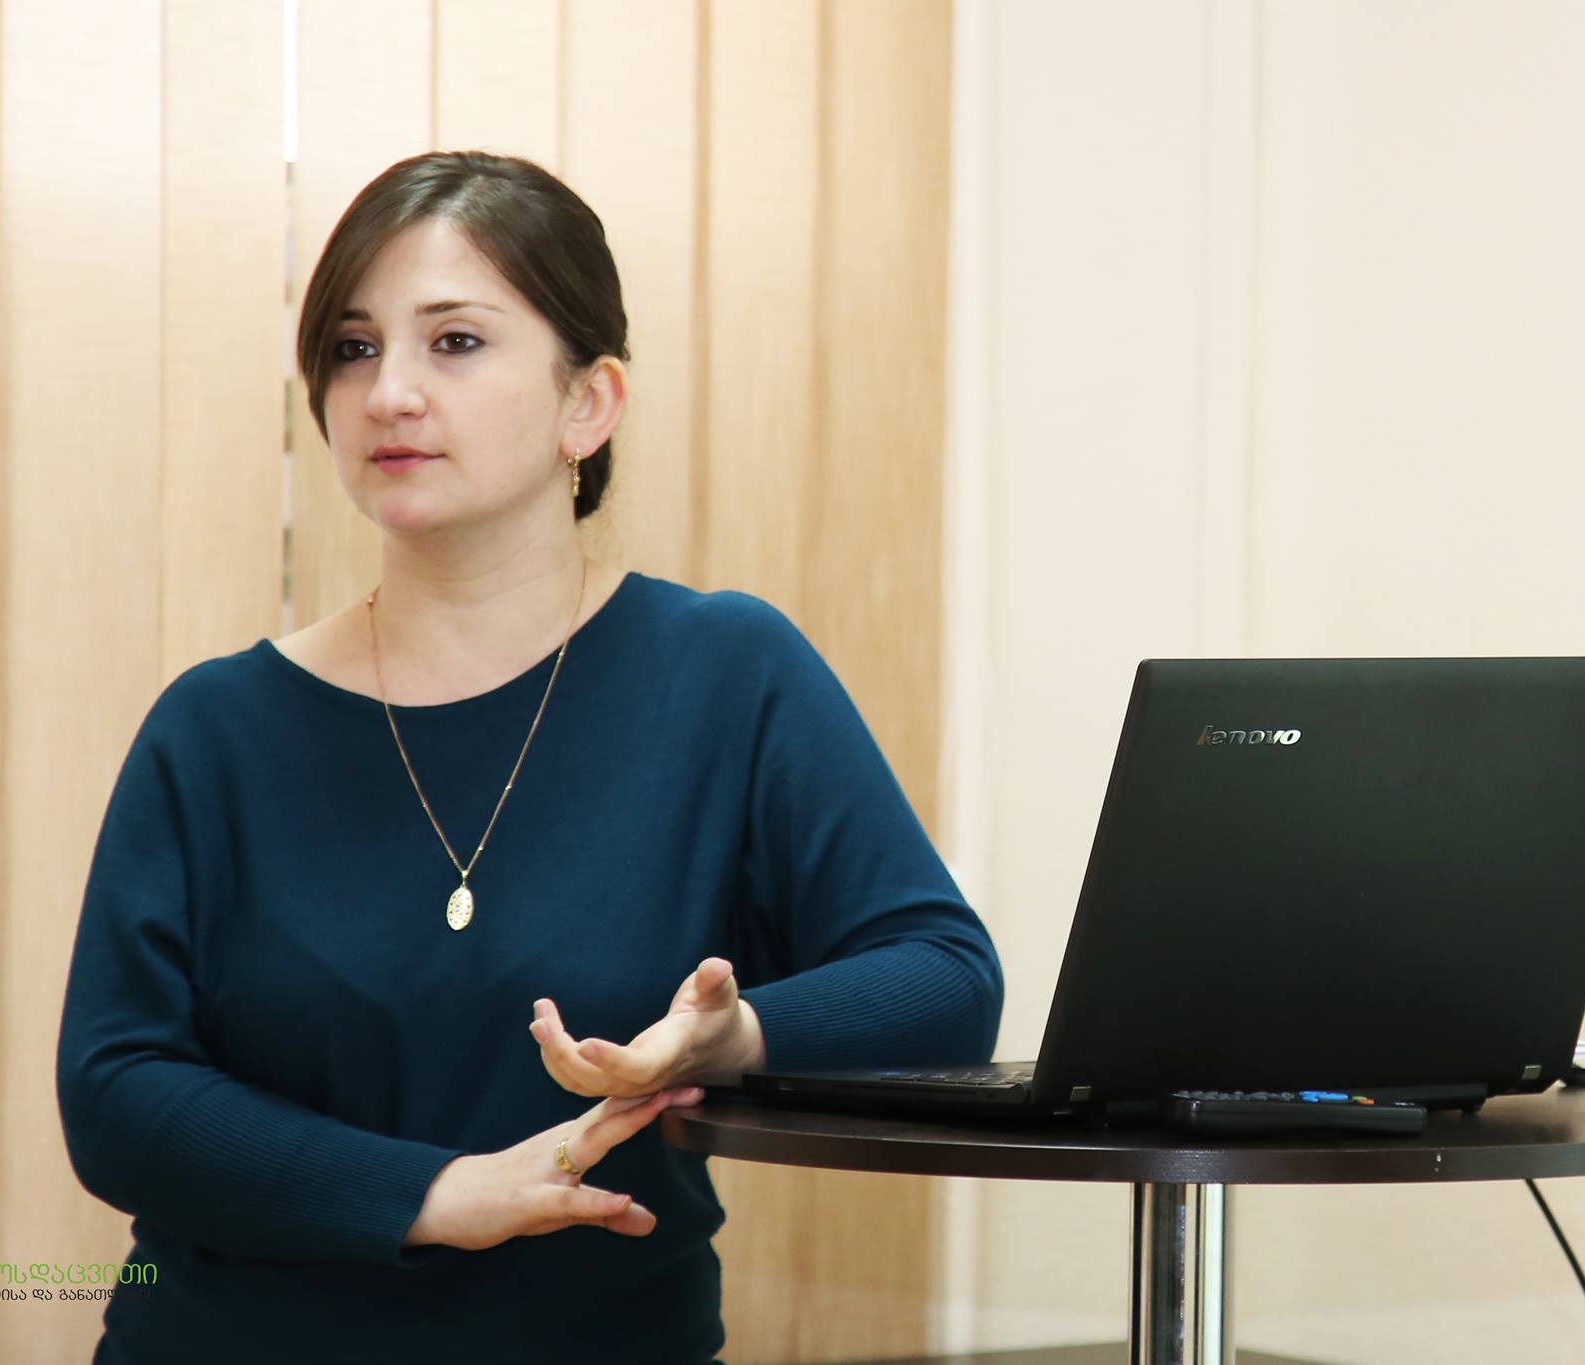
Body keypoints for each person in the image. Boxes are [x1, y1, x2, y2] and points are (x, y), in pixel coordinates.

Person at [54, 150, 1004, 1364]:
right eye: (352, 348)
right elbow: (118, 1091)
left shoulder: (723, 672)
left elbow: (944, 982)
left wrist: (730, 1038)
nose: (390, 391)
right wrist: (439, 1195)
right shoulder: (215, 725)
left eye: (453, 342)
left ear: (587, 405)